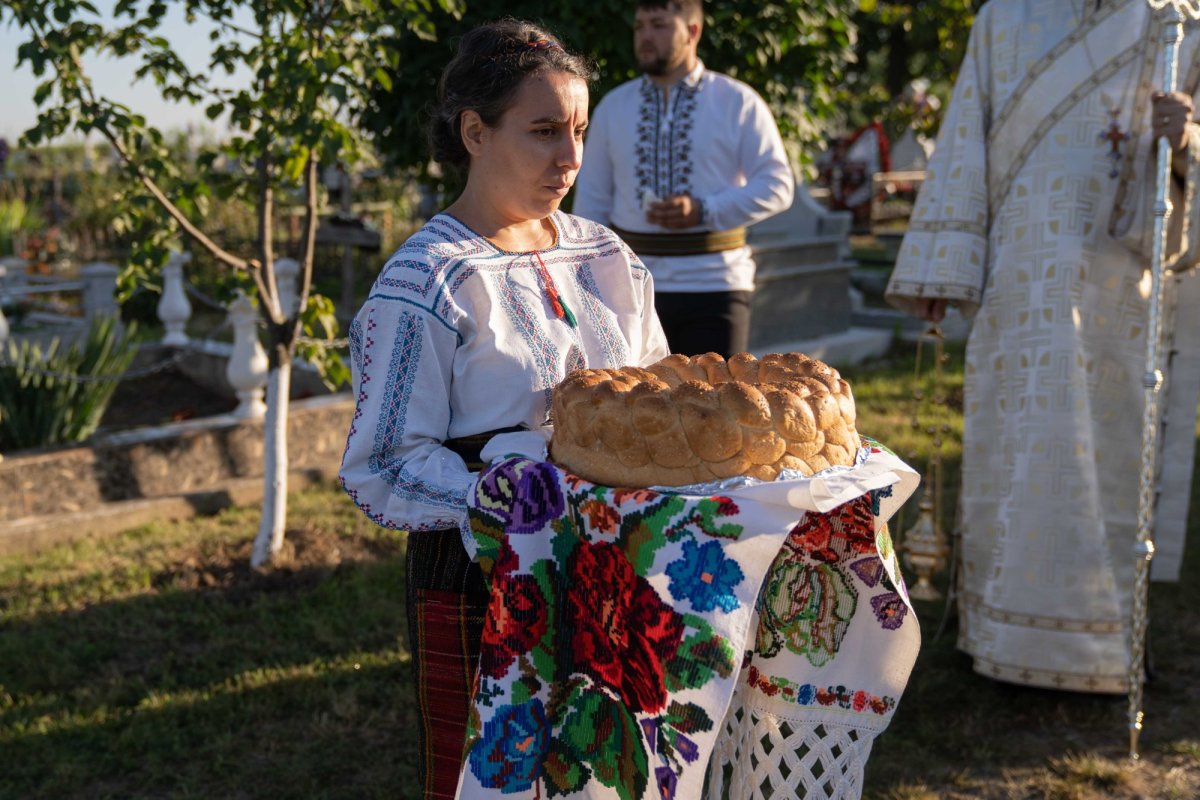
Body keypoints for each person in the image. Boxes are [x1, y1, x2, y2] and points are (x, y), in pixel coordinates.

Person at [338, 20, 669, 798]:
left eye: (580, 130)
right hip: (488, 571)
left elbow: (655, 390)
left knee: (609, 766)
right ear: (476, 131)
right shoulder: (428, 279)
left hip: (618, 556)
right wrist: (492, 496)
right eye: (545, 130)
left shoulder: (604, 255)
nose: (572, 158)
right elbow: (381, 461)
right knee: (493, 775)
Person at [885, 0, 1200, 694]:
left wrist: (1189, 143)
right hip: (1018, 286)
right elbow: (965, 135)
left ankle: (1108, 650)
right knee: (1016, 458)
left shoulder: (1179, 24)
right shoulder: (1005, 19)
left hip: (1118, 293)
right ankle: (994, 639)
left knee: (1106, 472)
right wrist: (944, 264)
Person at [572, 0, 794, 358]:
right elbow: (592, 203)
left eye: (658, 25)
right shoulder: (614, 107)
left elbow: (777, 184)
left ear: (692, 31)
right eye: (639, 26)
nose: (645, 36)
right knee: (638, 409)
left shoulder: (737, 101)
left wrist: (705, 210)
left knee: (716, 408)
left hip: (716, 284)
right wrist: (589, 281)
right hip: (629, 288)